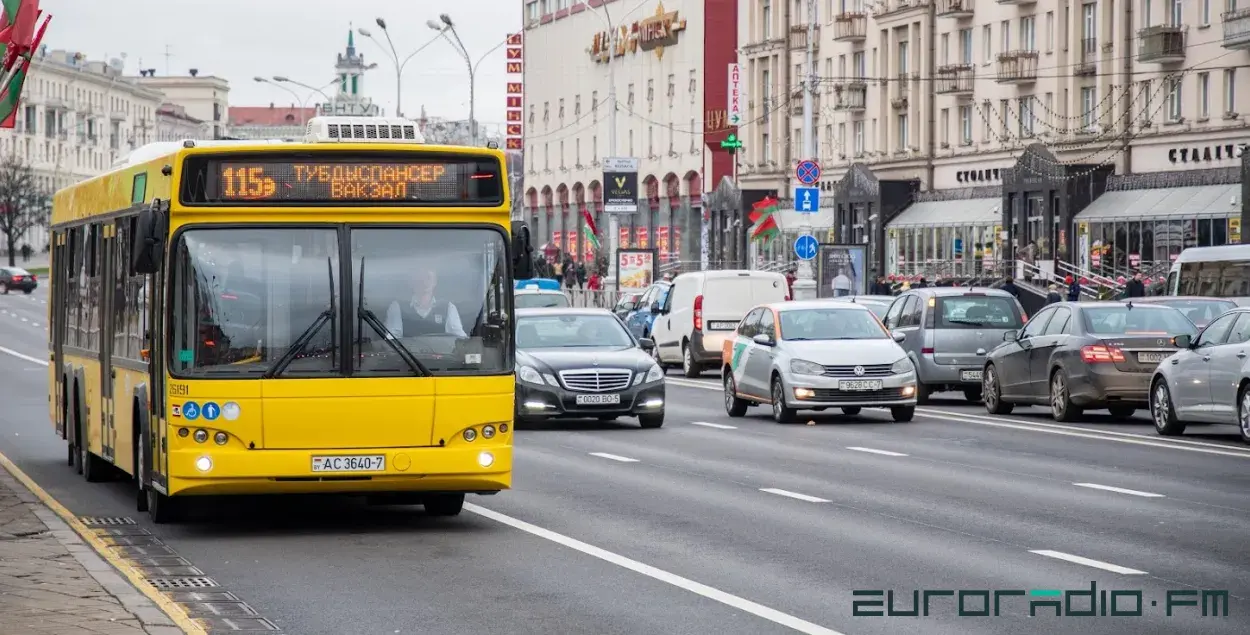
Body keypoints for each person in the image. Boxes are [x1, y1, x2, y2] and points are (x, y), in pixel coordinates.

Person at [384, 269, 467, 338]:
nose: (424, 282)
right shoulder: (397, 307)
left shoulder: (448, 307)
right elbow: (392, 339)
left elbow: (459, 338)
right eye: (420, 278)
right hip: (406, 357)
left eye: (428, 277)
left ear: (435, 281)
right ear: (412, 282)